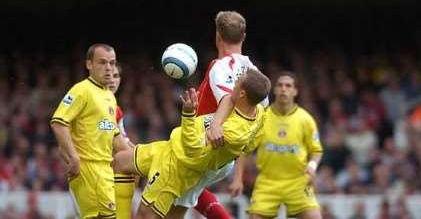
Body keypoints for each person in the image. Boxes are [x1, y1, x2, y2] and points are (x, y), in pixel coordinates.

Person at [113, 69, 271, 219]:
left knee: (145, 215)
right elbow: (231, 100)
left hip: (177, 167)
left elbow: (192, 150)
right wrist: (216, 125)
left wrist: (188, 114)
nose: (233, 84)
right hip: (169, 148)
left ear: (243, 93)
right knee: (120, 161)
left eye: (237, 82)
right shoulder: (257, 110)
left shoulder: (232, 133)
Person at [194, 10, 268, 219]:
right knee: (187, 193)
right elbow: (258, 118)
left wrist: (216, 126)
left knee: (161, 201)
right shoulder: (255, 76)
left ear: (217, 35)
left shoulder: (220, 67)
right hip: (225, 155)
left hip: (206, 147)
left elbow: (227, 100)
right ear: (244, 36)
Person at [50, 44, 131, 219]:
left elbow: (114, 136)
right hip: (88, 169)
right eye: (102, 62)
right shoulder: (82, 90)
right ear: (89, 64)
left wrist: (139, 158)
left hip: (105, 171)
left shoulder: (109, 96)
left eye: (112, 63)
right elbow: (59, 123)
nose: (108, 68)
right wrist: (73, 157)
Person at [230, 71, 323, 219]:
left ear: (295, 91)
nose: (283, 89)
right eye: (280, 85)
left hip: (298, 181)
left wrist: (312, 167)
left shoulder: (305, 119)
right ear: (274, 90)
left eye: (288, 86)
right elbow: (244, 150)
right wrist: (237, 179)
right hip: (268, 182)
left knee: (314, 216)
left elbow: (316, 150)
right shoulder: (263, 117)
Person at [108, 64, 135, 219]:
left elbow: (123, 140)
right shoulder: (95, 103)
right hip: (88, 171)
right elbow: (116, 142)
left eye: (116, 76)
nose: (112, 80)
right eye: (109, 75)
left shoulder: (116, 110)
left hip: (107, 172)